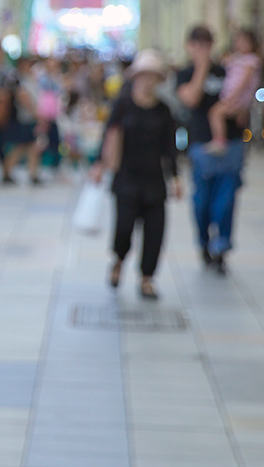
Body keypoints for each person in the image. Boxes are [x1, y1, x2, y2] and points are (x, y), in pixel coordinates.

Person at [92, 49, 180, 300]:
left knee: (155, 233)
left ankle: (147, 279)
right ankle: (118, 261)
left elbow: (169, 146)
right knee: (123, 228)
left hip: (154, 179)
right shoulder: (123, 105)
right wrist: (99, 164)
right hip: (126, 178)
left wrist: (175, 176)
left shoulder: (163, 110)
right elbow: (108, 134)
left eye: (153, 76)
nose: (147, 81)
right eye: (144, 76)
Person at [176, 25, 244, 274]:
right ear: (189, 46)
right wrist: (202, 68)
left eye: (207, 44)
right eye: (197, 44)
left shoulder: (226, 71)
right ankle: (204, 242)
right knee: (202, 201)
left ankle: (222, 247)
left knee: (226, 200)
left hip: (231, 145)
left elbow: (240, 100)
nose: (203, 50)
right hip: (201, 144)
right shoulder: (184, 74)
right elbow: (191, 99)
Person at [207, 29, 263, 154]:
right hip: (234, 96)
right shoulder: (238, 59)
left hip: (237, 97)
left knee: (215, 113)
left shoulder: (251, 61)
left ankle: (219, 141)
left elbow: (244, 82)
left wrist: (233, 97)